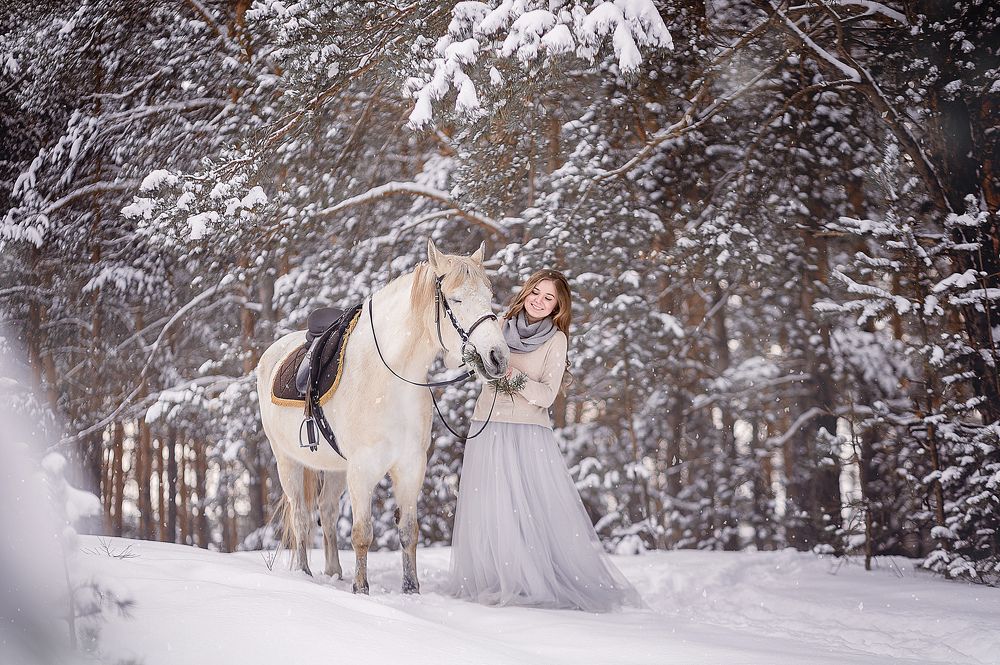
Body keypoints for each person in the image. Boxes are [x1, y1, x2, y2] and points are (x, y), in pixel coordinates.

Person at [446, 269, 644, 612]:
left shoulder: (556, 340)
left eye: (548, 297)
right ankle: (496, 577)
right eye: (536, 292)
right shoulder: (500, 323)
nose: (539, 300)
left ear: (558, 306)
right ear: (527, 292)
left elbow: (547, 395)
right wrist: (466, 354)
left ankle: (530, 580)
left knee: (526, 509)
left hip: (527, 433)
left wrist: (512, 376)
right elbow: (460, 357)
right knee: (490, 507)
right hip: (487, 425)